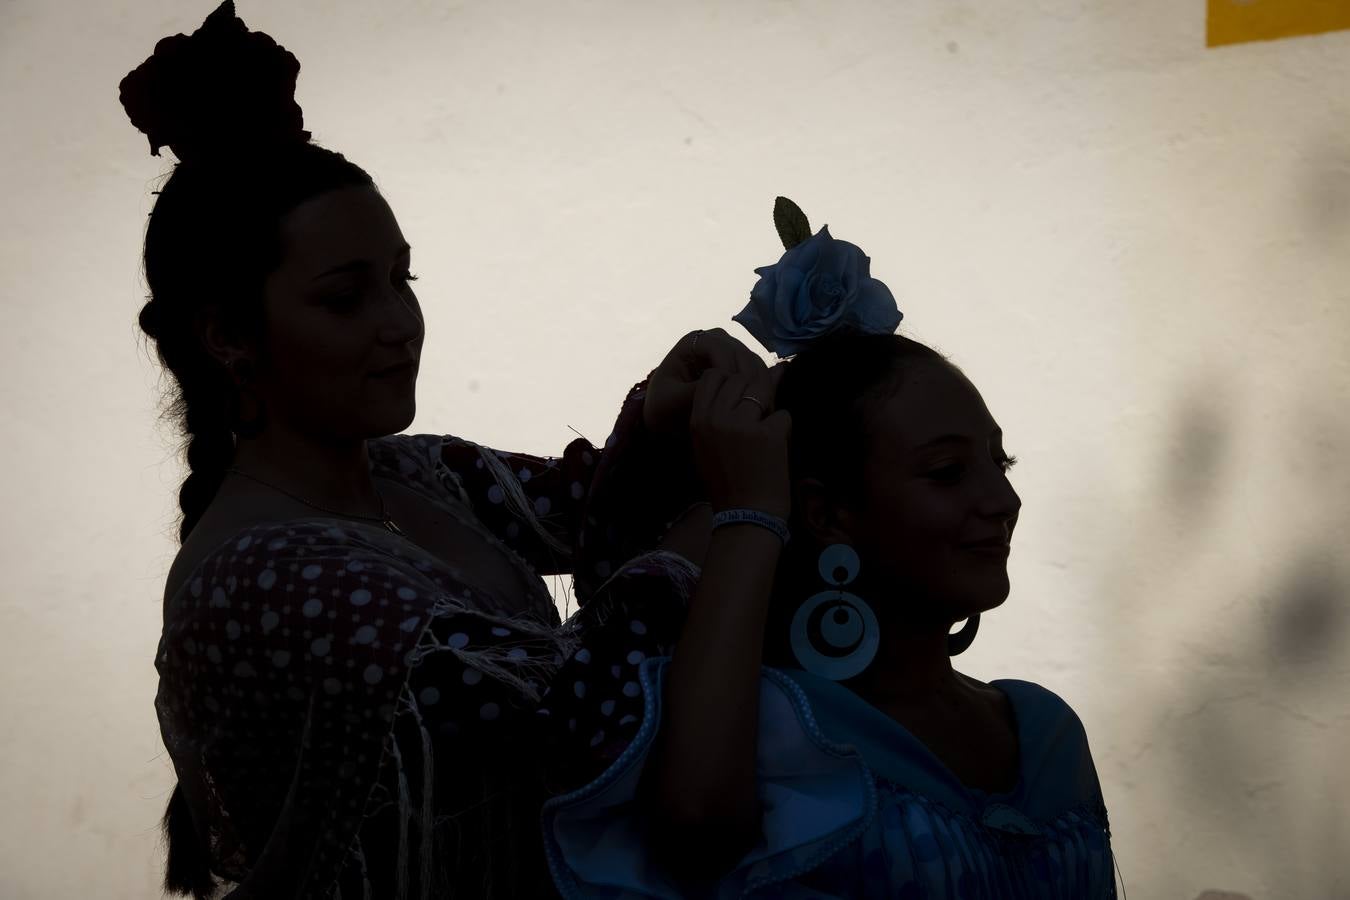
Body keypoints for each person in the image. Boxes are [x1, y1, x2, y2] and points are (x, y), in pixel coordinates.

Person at [123, 3, 770, 897]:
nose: (399, 325)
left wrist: (665, 419)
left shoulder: (408, 470)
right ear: (230, 335)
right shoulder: (265, 575)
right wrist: (730, 528)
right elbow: (575, 715)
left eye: (402, 280)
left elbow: (588, 508)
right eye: (346, 299)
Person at [537, 199, 1124, 897]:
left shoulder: (1047, 729)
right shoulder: (780, 731)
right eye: (945, 472)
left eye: (1002, 463)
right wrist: (749, 512)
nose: (1002, 502)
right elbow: (694, 830)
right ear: (827, 513)